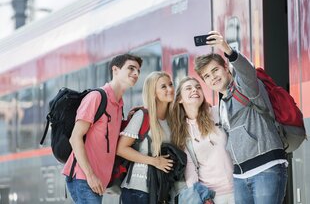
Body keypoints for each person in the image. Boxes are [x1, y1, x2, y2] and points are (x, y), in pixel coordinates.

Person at [194, 31, 288, 204]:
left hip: (265, 168)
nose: (212, 77)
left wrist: (227, 50)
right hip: (239, 175)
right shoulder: (222, 103)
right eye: (207, 76)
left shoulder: (245, 86)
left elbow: (247, 71)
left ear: (226, 68)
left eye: (215, 70)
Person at [62, 53, 143, 203]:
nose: (136, 73)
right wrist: (90, 175)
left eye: (138, 70)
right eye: (131, 68)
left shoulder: (119, 104)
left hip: (98, 180)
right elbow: (75, 137)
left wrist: (129, 121)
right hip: (83, 177)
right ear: (115, 70)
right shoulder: (97, 97)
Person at [169, 76, 234, 204]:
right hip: (212, 195)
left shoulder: (218, 113)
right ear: (180, 99)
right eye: (188, 88)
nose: (195, 90)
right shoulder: (182, 131)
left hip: (238, 186)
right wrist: (203, 196)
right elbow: (190, 167)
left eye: (198, 87)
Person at [116, 71, 175, 204]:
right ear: (153, 92)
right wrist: (155, 161)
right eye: (163, 86)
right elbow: (121, 149)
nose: (170, 89)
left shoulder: (171, 119)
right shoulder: (142, 115)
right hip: (137, 191)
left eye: (170, 84)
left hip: (160, 190)